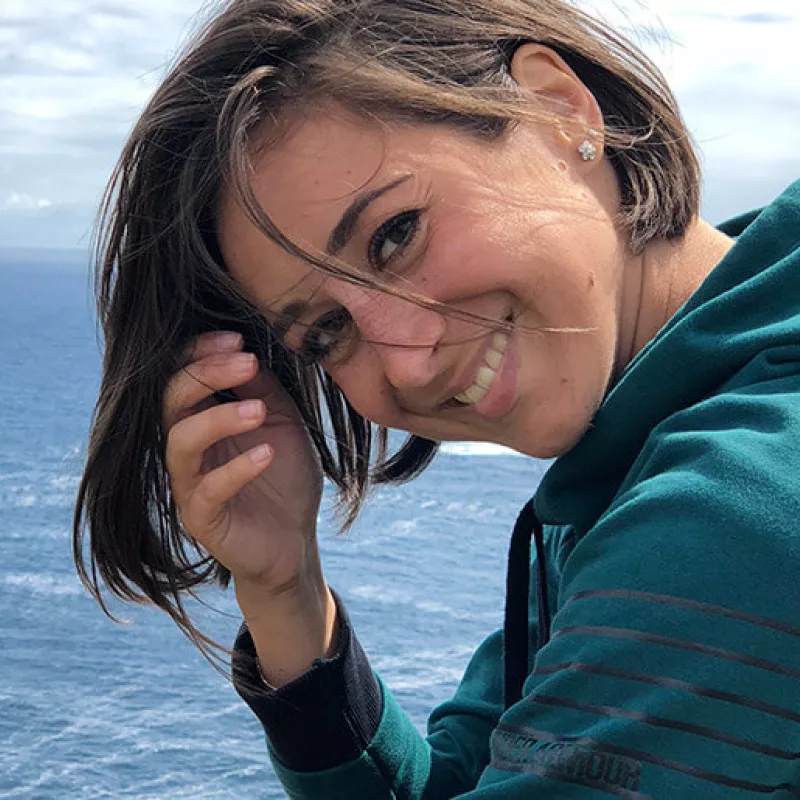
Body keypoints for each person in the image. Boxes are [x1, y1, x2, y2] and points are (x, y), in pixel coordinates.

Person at [72, 0, 800, 796]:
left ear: (558, 110)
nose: (407, 363)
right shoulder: (650, 432)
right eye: (324, 334)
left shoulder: (721, 516)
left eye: (395, 235)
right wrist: (285, 593)